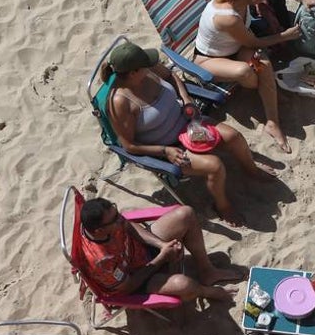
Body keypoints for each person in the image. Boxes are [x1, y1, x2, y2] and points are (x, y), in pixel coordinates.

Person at [99, 41, 278, 225]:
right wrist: (165, 151)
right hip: (169, 148)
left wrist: (186, 99)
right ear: (133, 73)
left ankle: (251, 169)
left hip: (189, 124)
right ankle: (222, 207)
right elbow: (129, 145)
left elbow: (171, 76)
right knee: (215, 167)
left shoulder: (149, 68)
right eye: (144, 67)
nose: (150, 66)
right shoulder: (120, 103)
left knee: (234, 137)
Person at [193, 0, 315, 154]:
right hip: (208, 59)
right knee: (245, 71)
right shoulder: (228, 17)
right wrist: (284, 36)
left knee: (263, 63)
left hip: (234, 48)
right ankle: (267, 90)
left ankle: (272, 122)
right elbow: (253, 42)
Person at [80, 197, 241, 304]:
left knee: (186, 214)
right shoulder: (101, 261)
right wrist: (162, 258)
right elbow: (128, 287)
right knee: (184, 285)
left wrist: (161, 245)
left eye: (117, 213)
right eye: (114, 220)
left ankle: (207, 271)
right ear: (98, 231)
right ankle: (209, 292)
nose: (120, 219)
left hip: (141, 249)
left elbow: (128, 225)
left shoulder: (109, 223)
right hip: (137, 279)